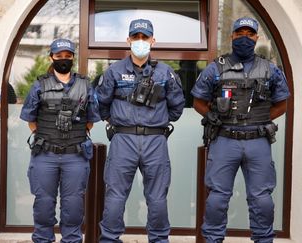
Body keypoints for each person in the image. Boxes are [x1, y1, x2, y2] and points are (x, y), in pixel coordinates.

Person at [191, 17, 290, 243]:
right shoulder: (215, 67)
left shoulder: (270, 69)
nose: (244, 37)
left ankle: (263, 239)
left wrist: (259, 119)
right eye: (240, 33)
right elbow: (198, 101)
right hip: (225, 139)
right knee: (217, 198)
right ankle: (213, 239)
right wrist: (213, 118)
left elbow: (282, 104)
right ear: (232, 36)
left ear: (256, 37)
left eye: (249, 33)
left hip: (258, 141)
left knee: (262, 199)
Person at [96, 19, 185, 243]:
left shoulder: (166, 73)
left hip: (155, 140)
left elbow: (177, 108)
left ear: (153, 40)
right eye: (136, 37)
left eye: (145, 37)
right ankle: (109, 239)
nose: (140, 41)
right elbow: (101, 105)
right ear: (128, 40)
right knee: (115, 195)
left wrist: (153, 120)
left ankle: (158, 239)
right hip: (123, 139)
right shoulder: (113, 71)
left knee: (157, 197)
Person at [20, 38, 100, 243]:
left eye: (67, 56)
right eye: (59, 56)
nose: (63, 59)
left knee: (73, 207)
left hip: (75, 155)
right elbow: (30, 119)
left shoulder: (85, 85)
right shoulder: (39, 84)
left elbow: (90, 120)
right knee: (43, 206)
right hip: (45, 155)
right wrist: (49, 136)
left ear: (72, 57)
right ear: (51, 57)